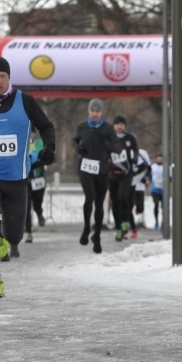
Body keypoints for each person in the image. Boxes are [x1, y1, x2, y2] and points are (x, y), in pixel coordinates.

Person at [0, 56, 56, 297]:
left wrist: (49, 147)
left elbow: (46, 126)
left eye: (2, 76)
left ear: (9, 78)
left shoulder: (24, 101)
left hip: (17, 179)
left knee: (14, 235)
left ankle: (4, 241)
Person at [73, 98, 115, 254]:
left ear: (101, 112)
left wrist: (108, 145)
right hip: (85, 167)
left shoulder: (107, 128)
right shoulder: (82, 127)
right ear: (89, 111)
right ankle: (86, 228)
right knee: (89, 196)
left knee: (99, 202)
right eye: (92, 110)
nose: (95, 113)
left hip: (102, 168)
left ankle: (96, 236)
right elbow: (74, 141)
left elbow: (116, 146)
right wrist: (79, 148)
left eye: (97, 111)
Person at [107, 116, 138, 242]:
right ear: (113, 126)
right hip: (112, 174)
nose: (119, 126)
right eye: (117, 124)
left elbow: (136, 150)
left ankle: (125, 221)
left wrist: (134, 161)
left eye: (122, 124)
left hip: (126, 173)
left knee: (123, 196)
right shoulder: (109, 138)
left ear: (124, 126)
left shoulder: (130, 138)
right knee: (114, 202)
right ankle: (119, 227)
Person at [24, 127, 47, 244]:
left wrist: (37, 164)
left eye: (32, 133)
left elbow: (47, 159)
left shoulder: (40, 144)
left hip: (39, 179)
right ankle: (28, 232)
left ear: (35, 134)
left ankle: (39, 214)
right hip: (27, 180)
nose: (30, 135)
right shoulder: (22, 142)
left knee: (37, 203)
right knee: (27, 206)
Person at [128, 147, 151, 237]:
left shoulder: (142, 152)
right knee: (128, 207)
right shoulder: (123, 151)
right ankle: (131, 227)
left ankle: (138, 212)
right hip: (128, 184)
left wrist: (148, 178)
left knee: (140, 206)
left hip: (139, 183)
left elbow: (148, 167)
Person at [150, 153, 164, 231]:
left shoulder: (166, 167)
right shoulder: (153, 167)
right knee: (156, 205)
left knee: (164, 207)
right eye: (158, 158)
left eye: (160, 158)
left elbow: (170, 177)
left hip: (164, 190)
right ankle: (156, 222)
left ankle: (163, 223)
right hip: (155, 189)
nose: (159, 160)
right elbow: (149, 176)